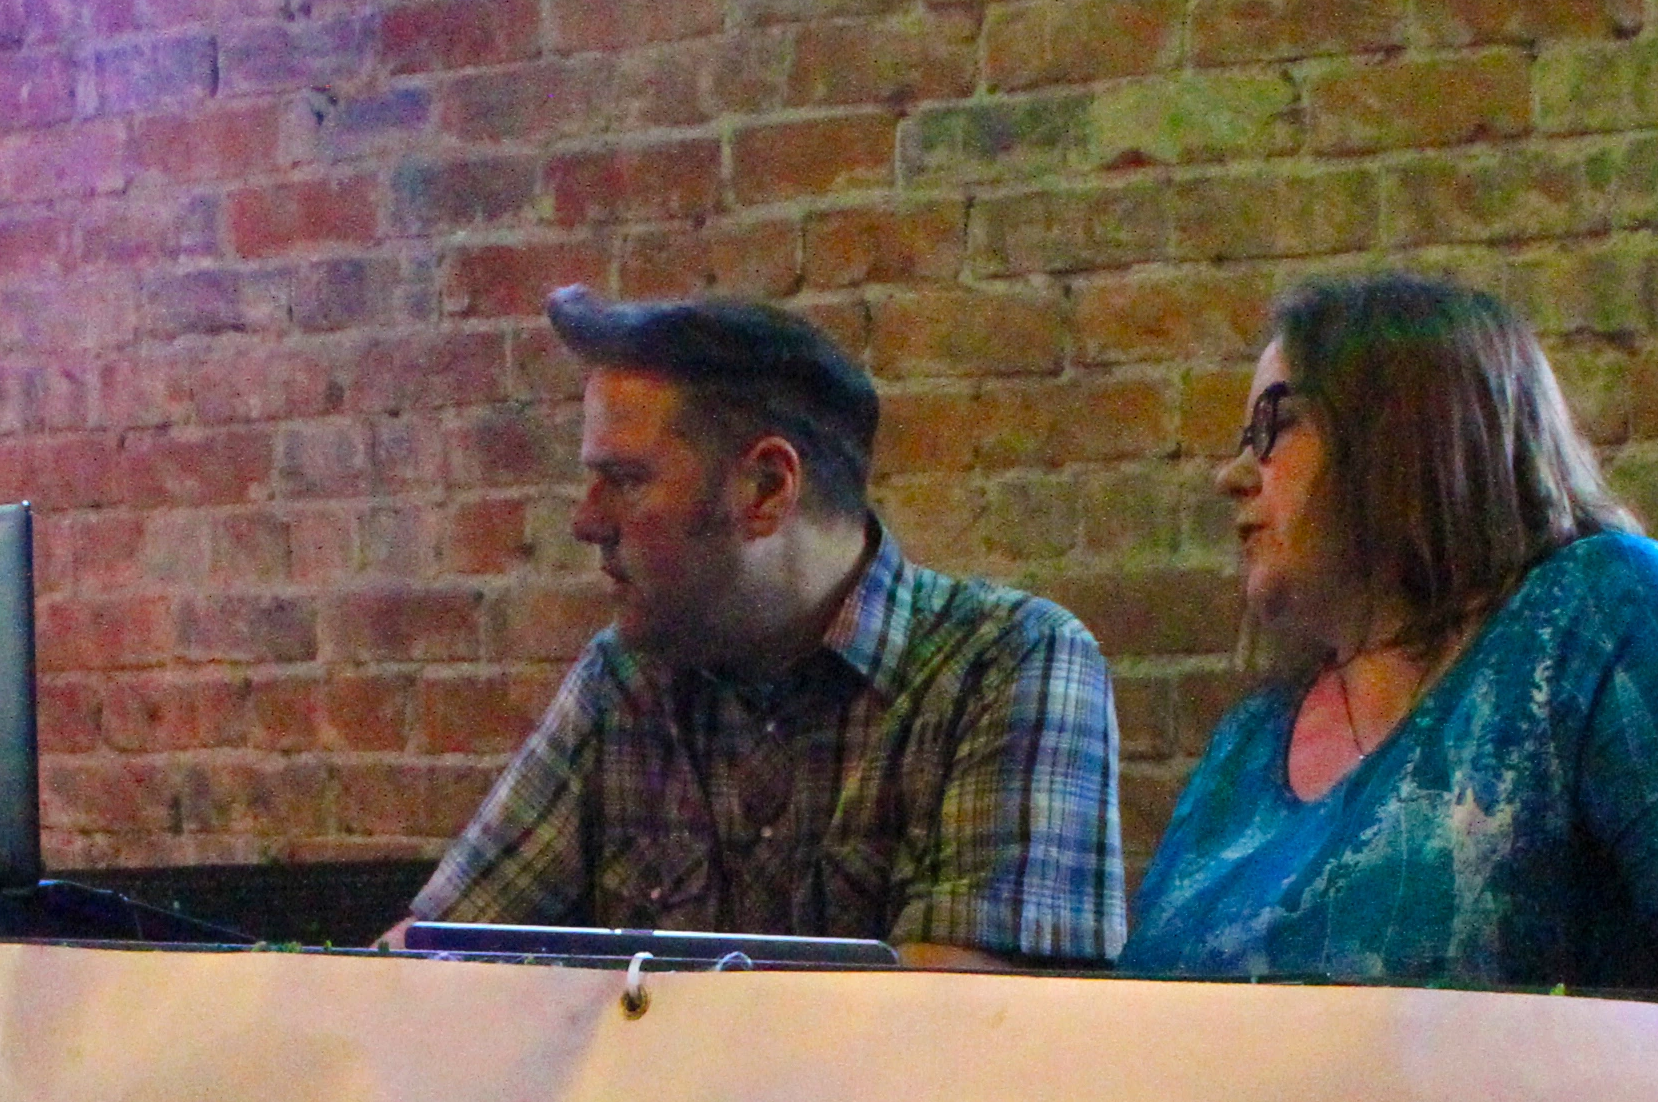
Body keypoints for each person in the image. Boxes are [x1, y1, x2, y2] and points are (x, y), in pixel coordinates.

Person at [1122, 274, 1658, 997]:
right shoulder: (1248, 743)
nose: (1232, 475)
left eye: (1276, 424)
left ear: (1407, 427)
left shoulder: (1599, 620)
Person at [403, 289, 1124, 969]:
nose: (584, 521)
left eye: (624, 480)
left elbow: (953, 1046)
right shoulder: (626, 678)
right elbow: (420, 973)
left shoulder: (1004, 665)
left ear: (768, 488)